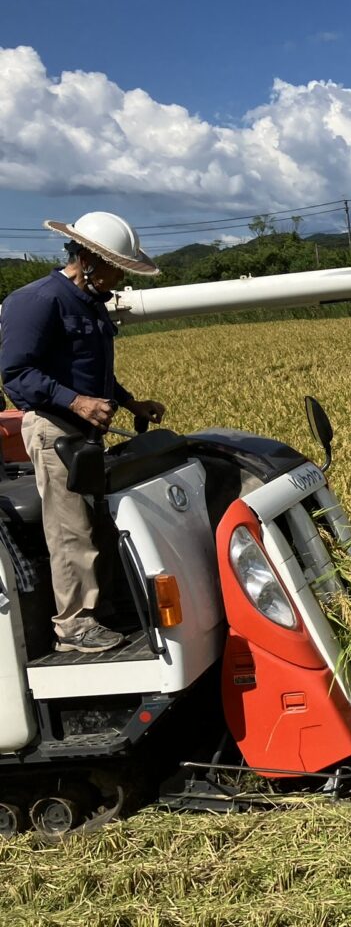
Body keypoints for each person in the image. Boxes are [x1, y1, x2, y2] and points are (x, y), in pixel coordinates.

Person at [0, 212, 167, 654]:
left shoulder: (89, 304)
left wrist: (130, 403)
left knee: (96, 523)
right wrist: (75, 402)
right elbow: (16, 375)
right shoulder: (37, 300)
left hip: (85, 431)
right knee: (69, 527)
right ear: (87, 259)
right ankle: (74, 626)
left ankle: (101, 608)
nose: (119, 278)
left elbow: (93, 374)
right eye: (115, 267)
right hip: (54, 429)